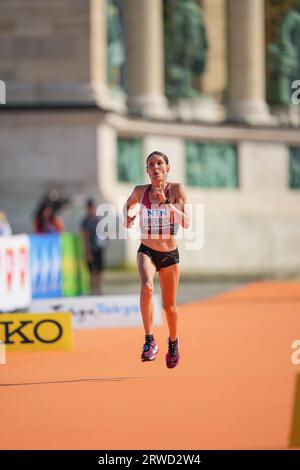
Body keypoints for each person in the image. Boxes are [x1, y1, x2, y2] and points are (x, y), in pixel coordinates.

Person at [123, 151, 190, 369]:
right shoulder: (140, 191)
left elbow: (186, 222)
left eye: (160, 163)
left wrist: (167, 204)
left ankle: (173, 342)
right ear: (147, 170)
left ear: (167, 168)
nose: (155, 167)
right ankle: (149, 340)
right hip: (147, 250)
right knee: (147, 286)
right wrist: (127, 217)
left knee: (169, 306)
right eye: (151, 164)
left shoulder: (177, 189)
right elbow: (128, 204)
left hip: (169, 255)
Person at [81, 198, 107, 295]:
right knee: (92, 271)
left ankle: (99, 289)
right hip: (91, 249)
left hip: (99, 248)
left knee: (100, 270)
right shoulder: (86, 221)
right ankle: (93, 290)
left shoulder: (98, 220)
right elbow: (85, 237)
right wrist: (87, 252)